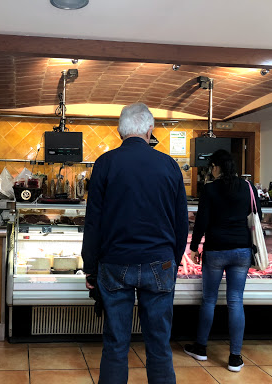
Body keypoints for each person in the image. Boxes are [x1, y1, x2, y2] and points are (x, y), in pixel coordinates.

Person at [82, 103, 189, 384]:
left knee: (116, 344)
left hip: (115, 263)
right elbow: (181, 222)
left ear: (120, 131)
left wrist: (90, 267)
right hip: (160, 261)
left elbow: (93, 222)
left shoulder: (105, 163)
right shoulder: (169, 165)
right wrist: (174, 260)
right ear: (150, 130)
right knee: (159, 344)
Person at [183, 149, 261, 372]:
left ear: (216, 166)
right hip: (242, 250)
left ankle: (201, 348)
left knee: (209, 299)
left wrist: (194, 246)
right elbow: (259, 215)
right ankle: (235, 357)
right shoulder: (248, 187)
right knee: (235, 301)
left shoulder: (210, 189)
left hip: (216, 249)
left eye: (212, 167)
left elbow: (202, 220)